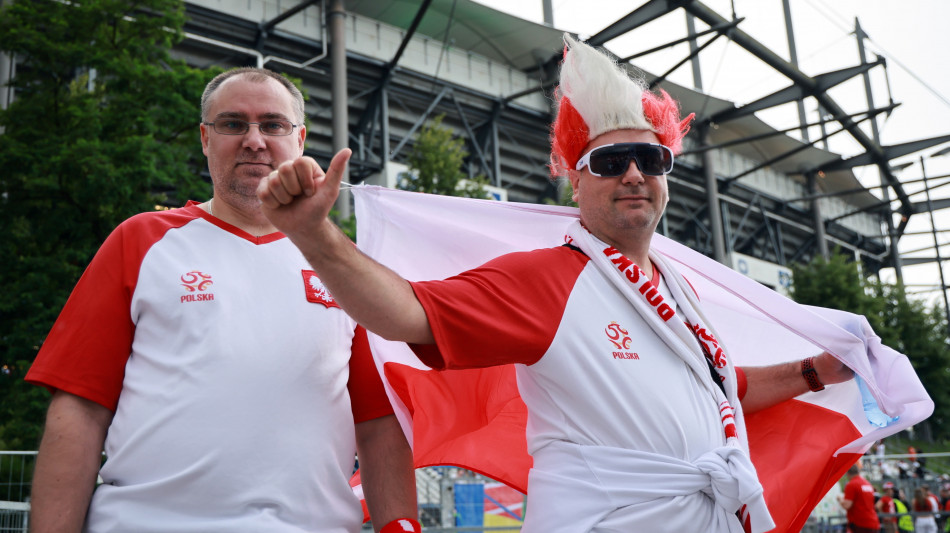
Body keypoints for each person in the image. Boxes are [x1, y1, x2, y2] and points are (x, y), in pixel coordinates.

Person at [255, 35, 854, 532]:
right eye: (611, 161)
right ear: (576, 180)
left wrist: (813, 372)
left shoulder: (677, 286)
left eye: (653, 161)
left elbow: (719, 392)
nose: (635, 175)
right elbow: (406, 314)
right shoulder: (548, 278)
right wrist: (319, 237)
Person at [25, 67, 420, 533]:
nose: (254, 140)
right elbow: (80, 409)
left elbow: (378, 424)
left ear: (300, 139)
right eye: (233, 124)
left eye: (273, 125)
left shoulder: (347, 266)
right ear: (205, 138)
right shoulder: (141, 241)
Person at [838, 462, 880, 533]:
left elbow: (847, 505)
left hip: (860, 524)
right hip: (873, 522)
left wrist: (840, 499)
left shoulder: (852, 484)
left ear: (848, 474)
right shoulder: (867, 483)